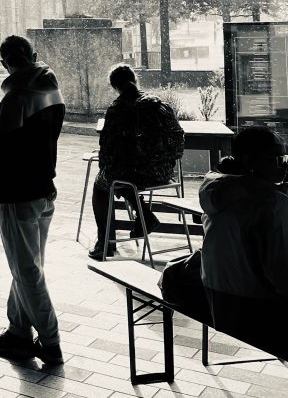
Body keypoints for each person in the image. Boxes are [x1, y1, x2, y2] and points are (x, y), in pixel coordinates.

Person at [0, 35, 66, 365]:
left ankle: (51, 341)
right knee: (28, 265)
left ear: (5, 63)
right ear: (34, 55)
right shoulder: (51, 89)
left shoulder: (14, 99)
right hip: (44, 187)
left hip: (16, 194)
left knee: (27, 270)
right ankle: (18, 330)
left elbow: (1, 152)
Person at [199, 126, 288, 358]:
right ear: (251, 161)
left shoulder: (218, 189)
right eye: (277, 159)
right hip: (256, 308)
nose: (284, 166)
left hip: (218, 298)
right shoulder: (270, 203)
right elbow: (281, 274)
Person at [89, 64, 183, 260]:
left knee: (102, 184)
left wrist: (105, 169)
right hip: (163, 173)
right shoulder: (160, 105)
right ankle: (144, 215)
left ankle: (104, 244)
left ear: (114, 86)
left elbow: (107, 149)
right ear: (135, 80)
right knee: (122, 172)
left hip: (135, 175)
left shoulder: (118, 109)